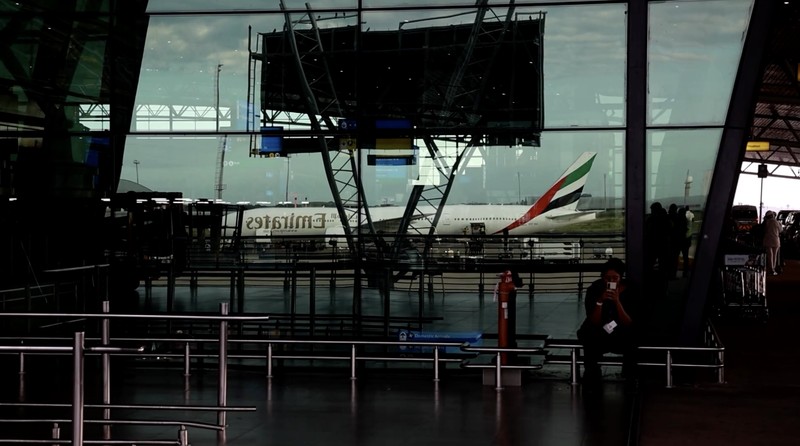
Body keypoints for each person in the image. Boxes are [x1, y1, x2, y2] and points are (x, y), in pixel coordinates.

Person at [577, 258, 639, 386]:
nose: (611, 281)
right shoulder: (595, 289)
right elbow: (593, 320)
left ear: (621, 277)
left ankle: (630, 375)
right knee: (589, 335)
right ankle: (592, 373)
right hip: (600, 332)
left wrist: (617, 302)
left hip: (622, 333)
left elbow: (628, 322)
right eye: (607, 278)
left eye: (615, 278)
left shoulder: (631, 290)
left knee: (633, 337)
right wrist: (600, 301)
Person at [762, 210, 782, 275]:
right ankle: (773, 269)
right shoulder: (777, 222)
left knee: (770, 255)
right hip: (776, 240)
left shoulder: (766, 222)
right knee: (775, 255)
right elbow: (781, 230)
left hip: (768, 240)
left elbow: (764, 230)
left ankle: (770, 268)